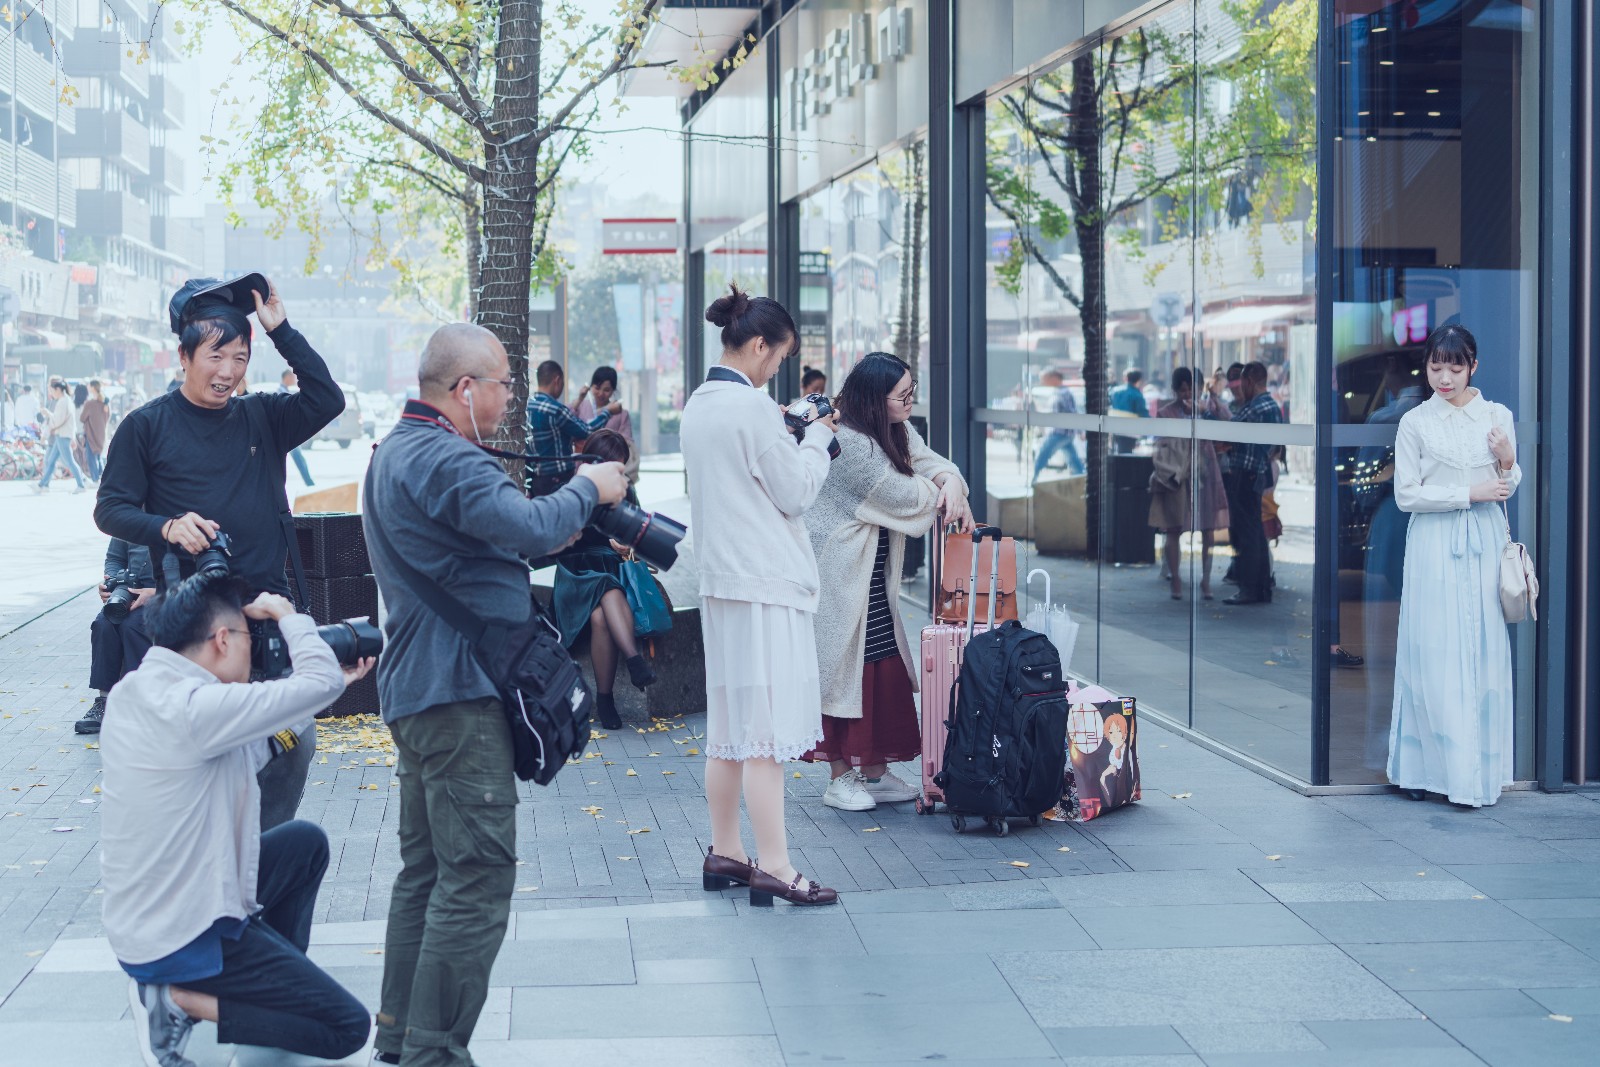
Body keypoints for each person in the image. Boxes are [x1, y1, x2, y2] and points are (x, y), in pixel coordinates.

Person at [363, 323, 627, 1066]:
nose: (511, 397)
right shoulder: (446, 455)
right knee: (476, 875)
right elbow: (528, 527)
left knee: (427, 873)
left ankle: (400, 1040)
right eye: (504, 384)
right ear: (465, 388)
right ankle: (433, 1053)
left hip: (419, 688)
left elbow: (482, 546)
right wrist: (590, 488)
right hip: (458, 694)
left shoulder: (397, 452)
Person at [95, 276, 345, 831]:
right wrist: (166, 526)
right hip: (192, 621)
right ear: (184, 356)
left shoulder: (263, 417)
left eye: (240, 357)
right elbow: (109, 509)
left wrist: (281, 331)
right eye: (215, 355)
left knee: (292, 742)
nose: (228, 371)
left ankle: (262, 854)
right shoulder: (145, 427)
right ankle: (211, 855)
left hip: (266, 612)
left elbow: (328, 399)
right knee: (201, 754)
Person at [100, 576, 374, 1067]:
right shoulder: (197, 707)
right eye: (251, 638)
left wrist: (317, 693)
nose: (256, 650)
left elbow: (253, 748)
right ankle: (179, 1001)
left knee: (303, 843)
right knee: (346, 1027)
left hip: (153, 916)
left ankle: (271, 985)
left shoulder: (137, 691)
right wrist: (288, 616)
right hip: (181, 937)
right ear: (223, 640)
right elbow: (318, 682)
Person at [682, 284, 840, 907]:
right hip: (766, 584)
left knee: (730, 728)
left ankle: (726, 851)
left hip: (722, 583)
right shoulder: (751, 409)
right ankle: (775, 866)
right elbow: (795, 492)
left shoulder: (699, 404)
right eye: (779, 356)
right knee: (765, 735)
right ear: (756, 345)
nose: (778, 369)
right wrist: (817, 440)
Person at [802, 352, 972, 811]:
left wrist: (951, 480)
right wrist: (949, 486)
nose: (910, 401)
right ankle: (840, 777)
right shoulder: (850, 444)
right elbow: (909, 496)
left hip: (869, 569)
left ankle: (874, 773)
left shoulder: (893, 428)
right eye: (903, 395)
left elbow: (932, 462)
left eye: (912, 391)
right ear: (875, 399)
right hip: (837, 567)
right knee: (843, 669)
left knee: (878, 661)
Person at [1387, 325, 1519, 808]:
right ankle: (1424, 770)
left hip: (1483, 542)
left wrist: (1508, 459)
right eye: (1436, 367)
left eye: (1455, 368)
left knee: (1481, 650)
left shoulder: (1497, 416)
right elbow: (1407, 495)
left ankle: (1475, 774)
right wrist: (1469, 493)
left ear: (1473, 368)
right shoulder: (1415, 422)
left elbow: (1508, 481)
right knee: (1432, 650)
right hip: (1434, 543)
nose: (1444, 378)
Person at [552, 427, 656, 730]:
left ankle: (605, 699)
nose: (617, 471)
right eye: (612, 464)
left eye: (620, 465)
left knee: (600, 617)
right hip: (575, 572)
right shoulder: (575, 489)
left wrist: (626, 544)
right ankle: (634, 660)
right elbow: (559, 539)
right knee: (607, 588)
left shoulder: (626, 490)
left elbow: (638, 535)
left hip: (609, 567)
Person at [1148, 367, 1230, 601]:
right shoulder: (1166, 413)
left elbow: (1228, 425)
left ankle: (1206, 579)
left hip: (1205, 471)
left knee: (1208, 528)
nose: (1187, 394)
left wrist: (1208, 406)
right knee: (1174, 527)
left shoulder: (1208, 409)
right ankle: (1175, 578)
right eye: (1182, 389)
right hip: (1177, 474)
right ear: (1174, 390)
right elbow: (1160, 442)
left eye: (1192, 389)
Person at [77, 537, 157, 735]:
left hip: (167, 592)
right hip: (130, 589)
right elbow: (115, 558)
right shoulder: (128, 521)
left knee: (133, 626)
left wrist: (158, 591)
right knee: (104, 624)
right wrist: (111, 583)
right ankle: (105, 702)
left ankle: (139, 702)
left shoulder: (180, 521)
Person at [1220, 362, 1282, 605]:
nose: (1240, 388)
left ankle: (1248, 589)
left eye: (1243, 382)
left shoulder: (1255, 408)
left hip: (1245, 474)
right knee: (1256, 532)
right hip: (1258, 474)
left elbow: (1227, 432)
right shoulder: (1273, 406)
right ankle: (1262, 588)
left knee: (1247, 534)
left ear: (1250, 382)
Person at [527, 359, 619, 494]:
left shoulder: (528, 406)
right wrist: (608, 412)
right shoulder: (556, 409)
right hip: (558, 478)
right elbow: (588, 430)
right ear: (557, 380)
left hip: (535, 479)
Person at [33, 378, 88, 493]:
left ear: (58, 389)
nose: (52, 393)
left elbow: (58, 420)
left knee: (69, 461)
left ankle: (81, 484)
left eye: (52, 390)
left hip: (62, 435)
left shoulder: (63, 402)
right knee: (51, 461)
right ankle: (42, 485)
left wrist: (48, 414)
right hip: (62, 435)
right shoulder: (67, 400)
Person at [1032, 368, 1084, 481]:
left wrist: (1080, 431)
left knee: (1042, 454)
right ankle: (1081, 480)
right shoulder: (1058, 392)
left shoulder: (1064, 393)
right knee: (1073, 460)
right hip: (1062, 432)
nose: (1043, 382)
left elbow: (1073, 413)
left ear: (1054, 378)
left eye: (1044, 379)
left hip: (1060, 432)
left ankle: (1033, 479)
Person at [278, 369, 315, 488]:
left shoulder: (284, 390)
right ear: (287, 377)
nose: (294, 379)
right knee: (298, 459)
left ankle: (309, 483)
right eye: (293, 377)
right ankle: (310, 484)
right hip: (287, 433)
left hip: (288, 432)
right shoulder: (281, 392)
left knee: (298, 459)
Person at [1109, 368, 1149, 452]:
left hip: (1115, 428)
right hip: (1130, 431)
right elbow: (1142, 413)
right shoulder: (1137, 395)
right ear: (1139, 380)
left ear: (1126, 378)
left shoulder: (1114, 391)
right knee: (1126, 453)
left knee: (1116, 451)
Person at [81, 379, 111, 483]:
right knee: (98, 457)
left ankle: (95, 479)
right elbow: (107, 417)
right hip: (101, 433)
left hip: (91, 434)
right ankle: (103, 478)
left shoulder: (90, 404)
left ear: (93, 387)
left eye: (89, 386)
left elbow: (82, 418)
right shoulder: (105, 403)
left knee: (91, 457)